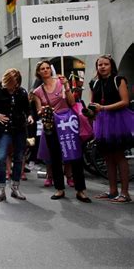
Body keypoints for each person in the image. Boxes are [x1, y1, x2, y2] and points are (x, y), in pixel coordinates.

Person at [33, 60, 91, 203]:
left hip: (68, 123)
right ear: (39, 72)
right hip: (52, 125)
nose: (45, 70)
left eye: (47, 68)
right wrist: (45, 110)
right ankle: (60, 189)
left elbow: (71, 102)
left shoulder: (61, 82)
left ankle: (80, 190)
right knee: (55, 157)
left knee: (75, 155)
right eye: (42, 69)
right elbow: (38, 111)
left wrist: (66, 86)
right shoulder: (37, 92)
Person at [0, 68, 33, 203]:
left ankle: (15, 187)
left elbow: (27, 108)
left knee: (19, 158)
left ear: (17, 83)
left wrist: (30, 116)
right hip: (3, 130)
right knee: (1, 158)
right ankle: (1, 190)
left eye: (11, 82)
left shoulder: (22, 92)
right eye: (7, 82)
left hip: (20, 129)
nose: (8, 85)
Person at [90, 55, 133, 203]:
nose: (102, 67)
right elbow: (92, 104)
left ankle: (125, 193)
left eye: (105, 64)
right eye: (99, 64)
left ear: (111, 66)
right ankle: (112, 190)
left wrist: (103, 108)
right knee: (107, 157)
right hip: (102, 123)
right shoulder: (94, 83)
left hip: (118, 121)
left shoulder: (118, 80)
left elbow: (125, 102)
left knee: (119, 156)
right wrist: (90, 112)